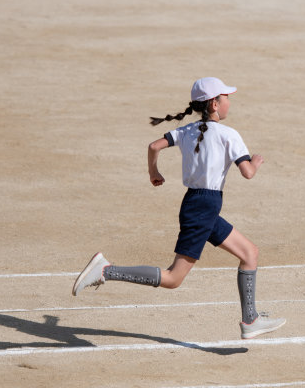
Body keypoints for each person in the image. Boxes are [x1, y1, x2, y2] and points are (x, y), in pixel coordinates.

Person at [72, 77, 285, 339]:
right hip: (205, 207)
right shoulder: (230, 135)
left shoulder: (187, 131)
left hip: (197, 205)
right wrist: (257, 161)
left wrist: (154, 172)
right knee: (173, 278)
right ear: (215, 103)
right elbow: (248, 173)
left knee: (250, 253)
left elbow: (153, 146)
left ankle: (250, 320)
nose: (230, 102)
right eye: (227, 97)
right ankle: (106, 270)